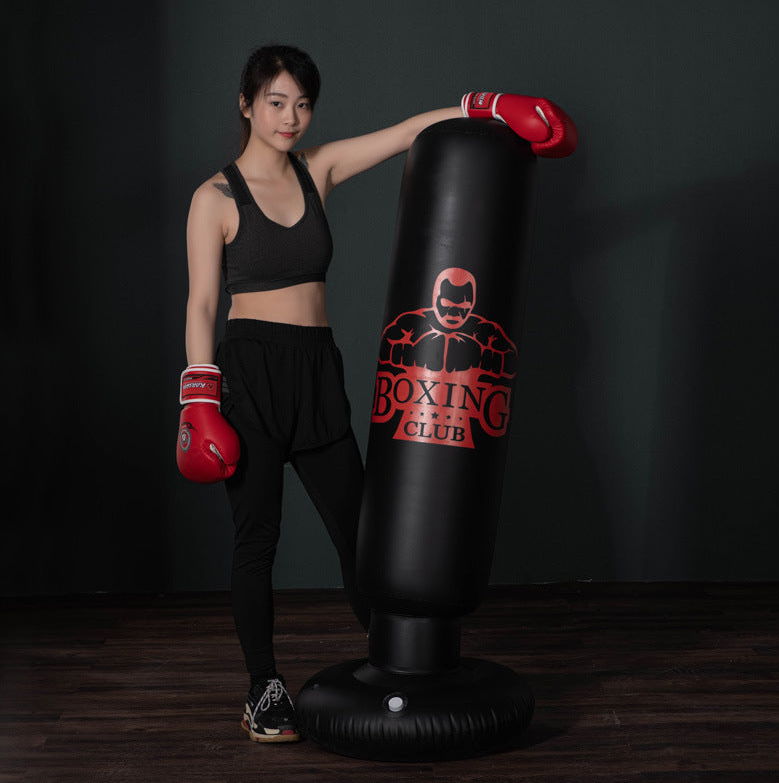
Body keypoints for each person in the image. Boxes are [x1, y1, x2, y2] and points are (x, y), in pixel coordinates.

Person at [178, 44, 576, 744]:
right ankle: (263, 688)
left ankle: (397, 663)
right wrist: (198, 396)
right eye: (276, 102)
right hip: (250, 376)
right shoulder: (214, 198)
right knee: (256, 539)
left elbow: (406, 134)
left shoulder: (318, 170)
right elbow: (203, 302)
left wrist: (483, 108)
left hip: (315, 371)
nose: (290, 118)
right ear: (247, 104)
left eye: (303, 104)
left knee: (360, 534)